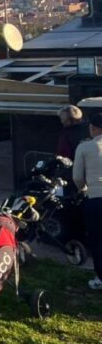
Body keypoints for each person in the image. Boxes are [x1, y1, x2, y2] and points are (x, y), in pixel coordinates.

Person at [72, 110, 102, 290]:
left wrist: (83, 188)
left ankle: (101, 278)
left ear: (93, 127)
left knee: (98, 240)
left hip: (96, 198)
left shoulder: (85, 147)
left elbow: (77, 177)